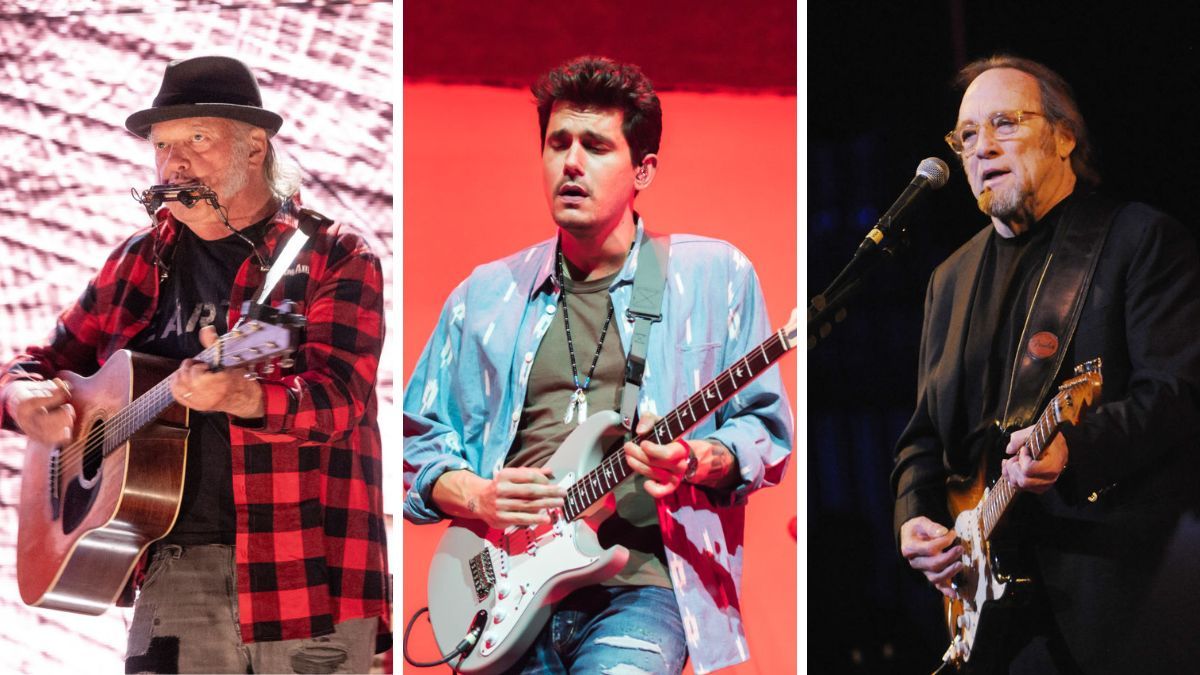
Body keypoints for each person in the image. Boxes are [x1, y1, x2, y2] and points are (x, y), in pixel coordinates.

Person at [403, 55, 793, 674]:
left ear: (643, 169)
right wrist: (477, 495)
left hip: (645, 588)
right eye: (558, 143)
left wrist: (694, 459)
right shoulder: (483, 295)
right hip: (501, 598)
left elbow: (763, 435)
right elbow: (411, 445)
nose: (571, 163)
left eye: (596, 146)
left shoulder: (713, 277)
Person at [0, 56, 390, 673]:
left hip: (306, 574)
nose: (174, 163)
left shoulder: (330, 254)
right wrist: (22, 398)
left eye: (197, 140)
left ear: (256, 146)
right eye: (162, 147)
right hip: (172, 569)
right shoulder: (136, 259)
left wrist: (247, 397)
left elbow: (341, 400)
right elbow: (33, 365)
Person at [892, 54, 1200, 673]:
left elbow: (1179, 390)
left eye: (1004, 123)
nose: (981, 149)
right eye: (967, 136)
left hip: (1112, 600)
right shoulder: (947, 280)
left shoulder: (1138, 240)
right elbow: (922, 437)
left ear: (1065, 136)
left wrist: (1075, 450)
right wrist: (914, 518)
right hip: (989, 614)